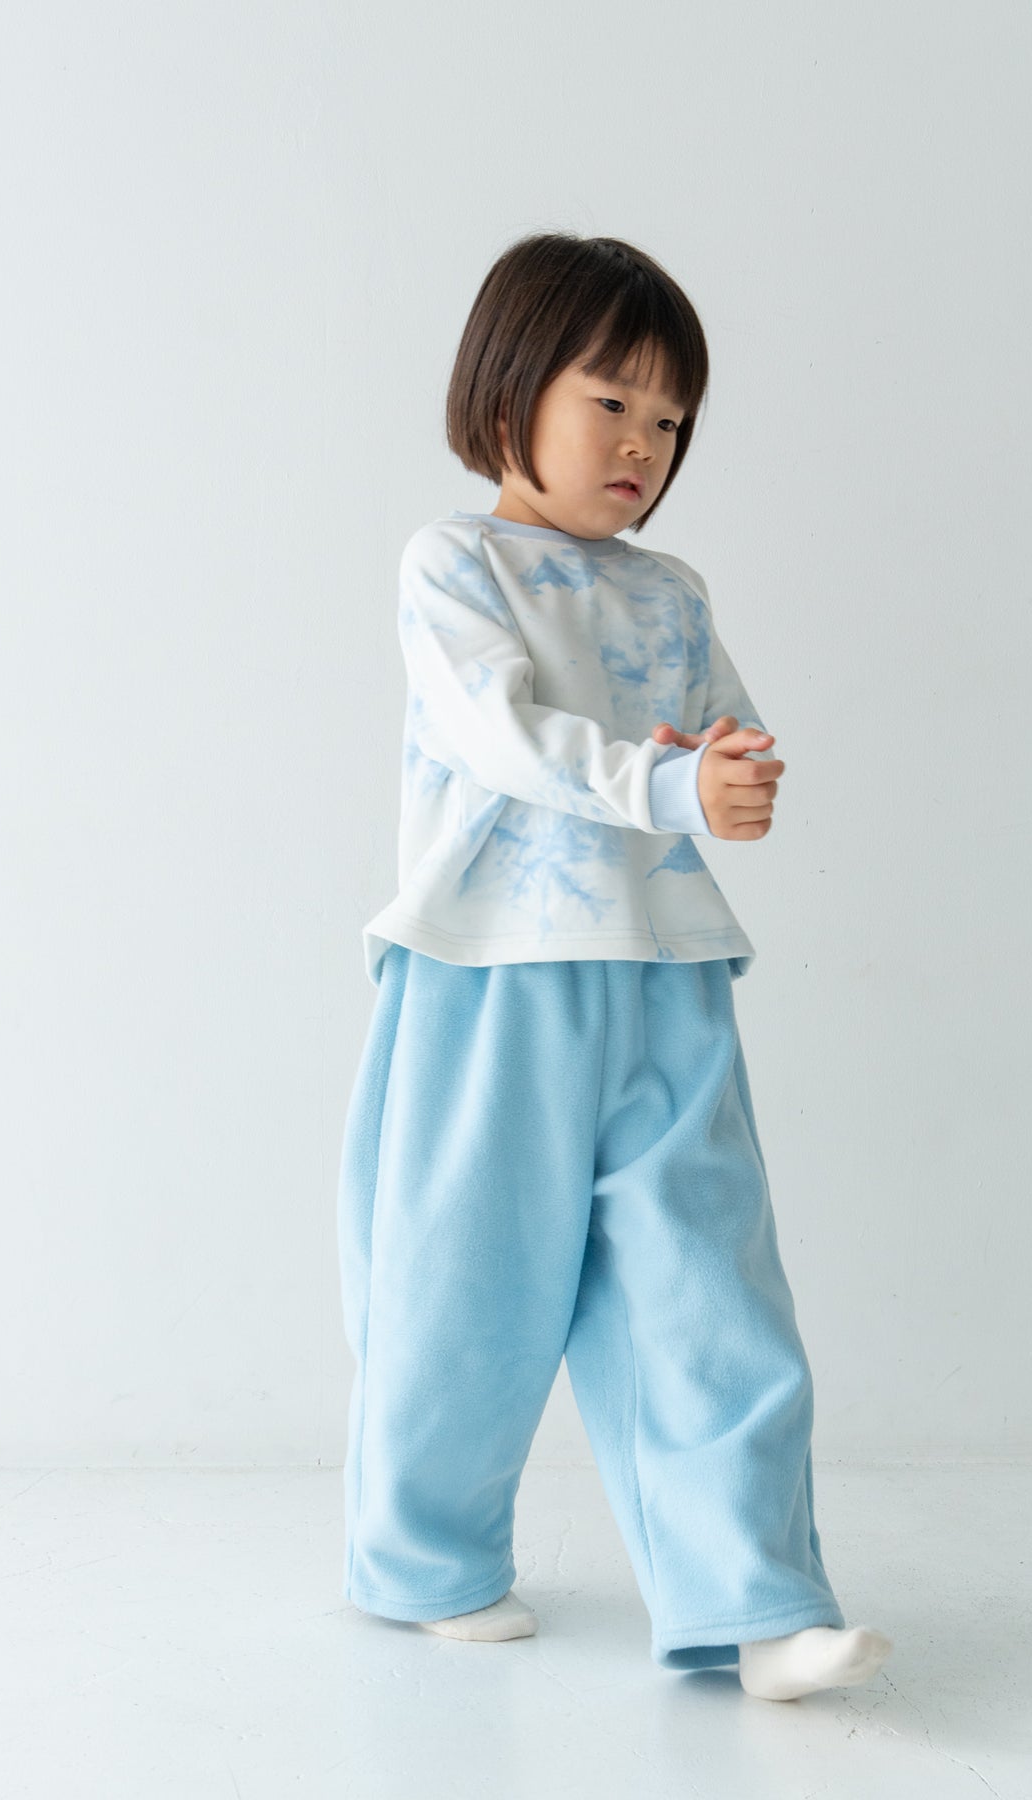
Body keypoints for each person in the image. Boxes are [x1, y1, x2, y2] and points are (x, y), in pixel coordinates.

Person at [337, 230, 893, 1702]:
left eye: (670, 420)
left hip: (663, 970)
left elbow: (718, 731)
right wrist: (667, 787)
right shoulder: (453, 564)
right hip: (492, 973)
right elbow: (498, 733)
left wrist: (733, 778)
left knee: (708, 1287)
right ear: (507, 388)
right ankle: (426, 1561)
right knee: (466, 1278)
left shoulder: (672, 590)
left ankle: (757, 1607)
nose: (643, 444)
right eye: (611, 403)